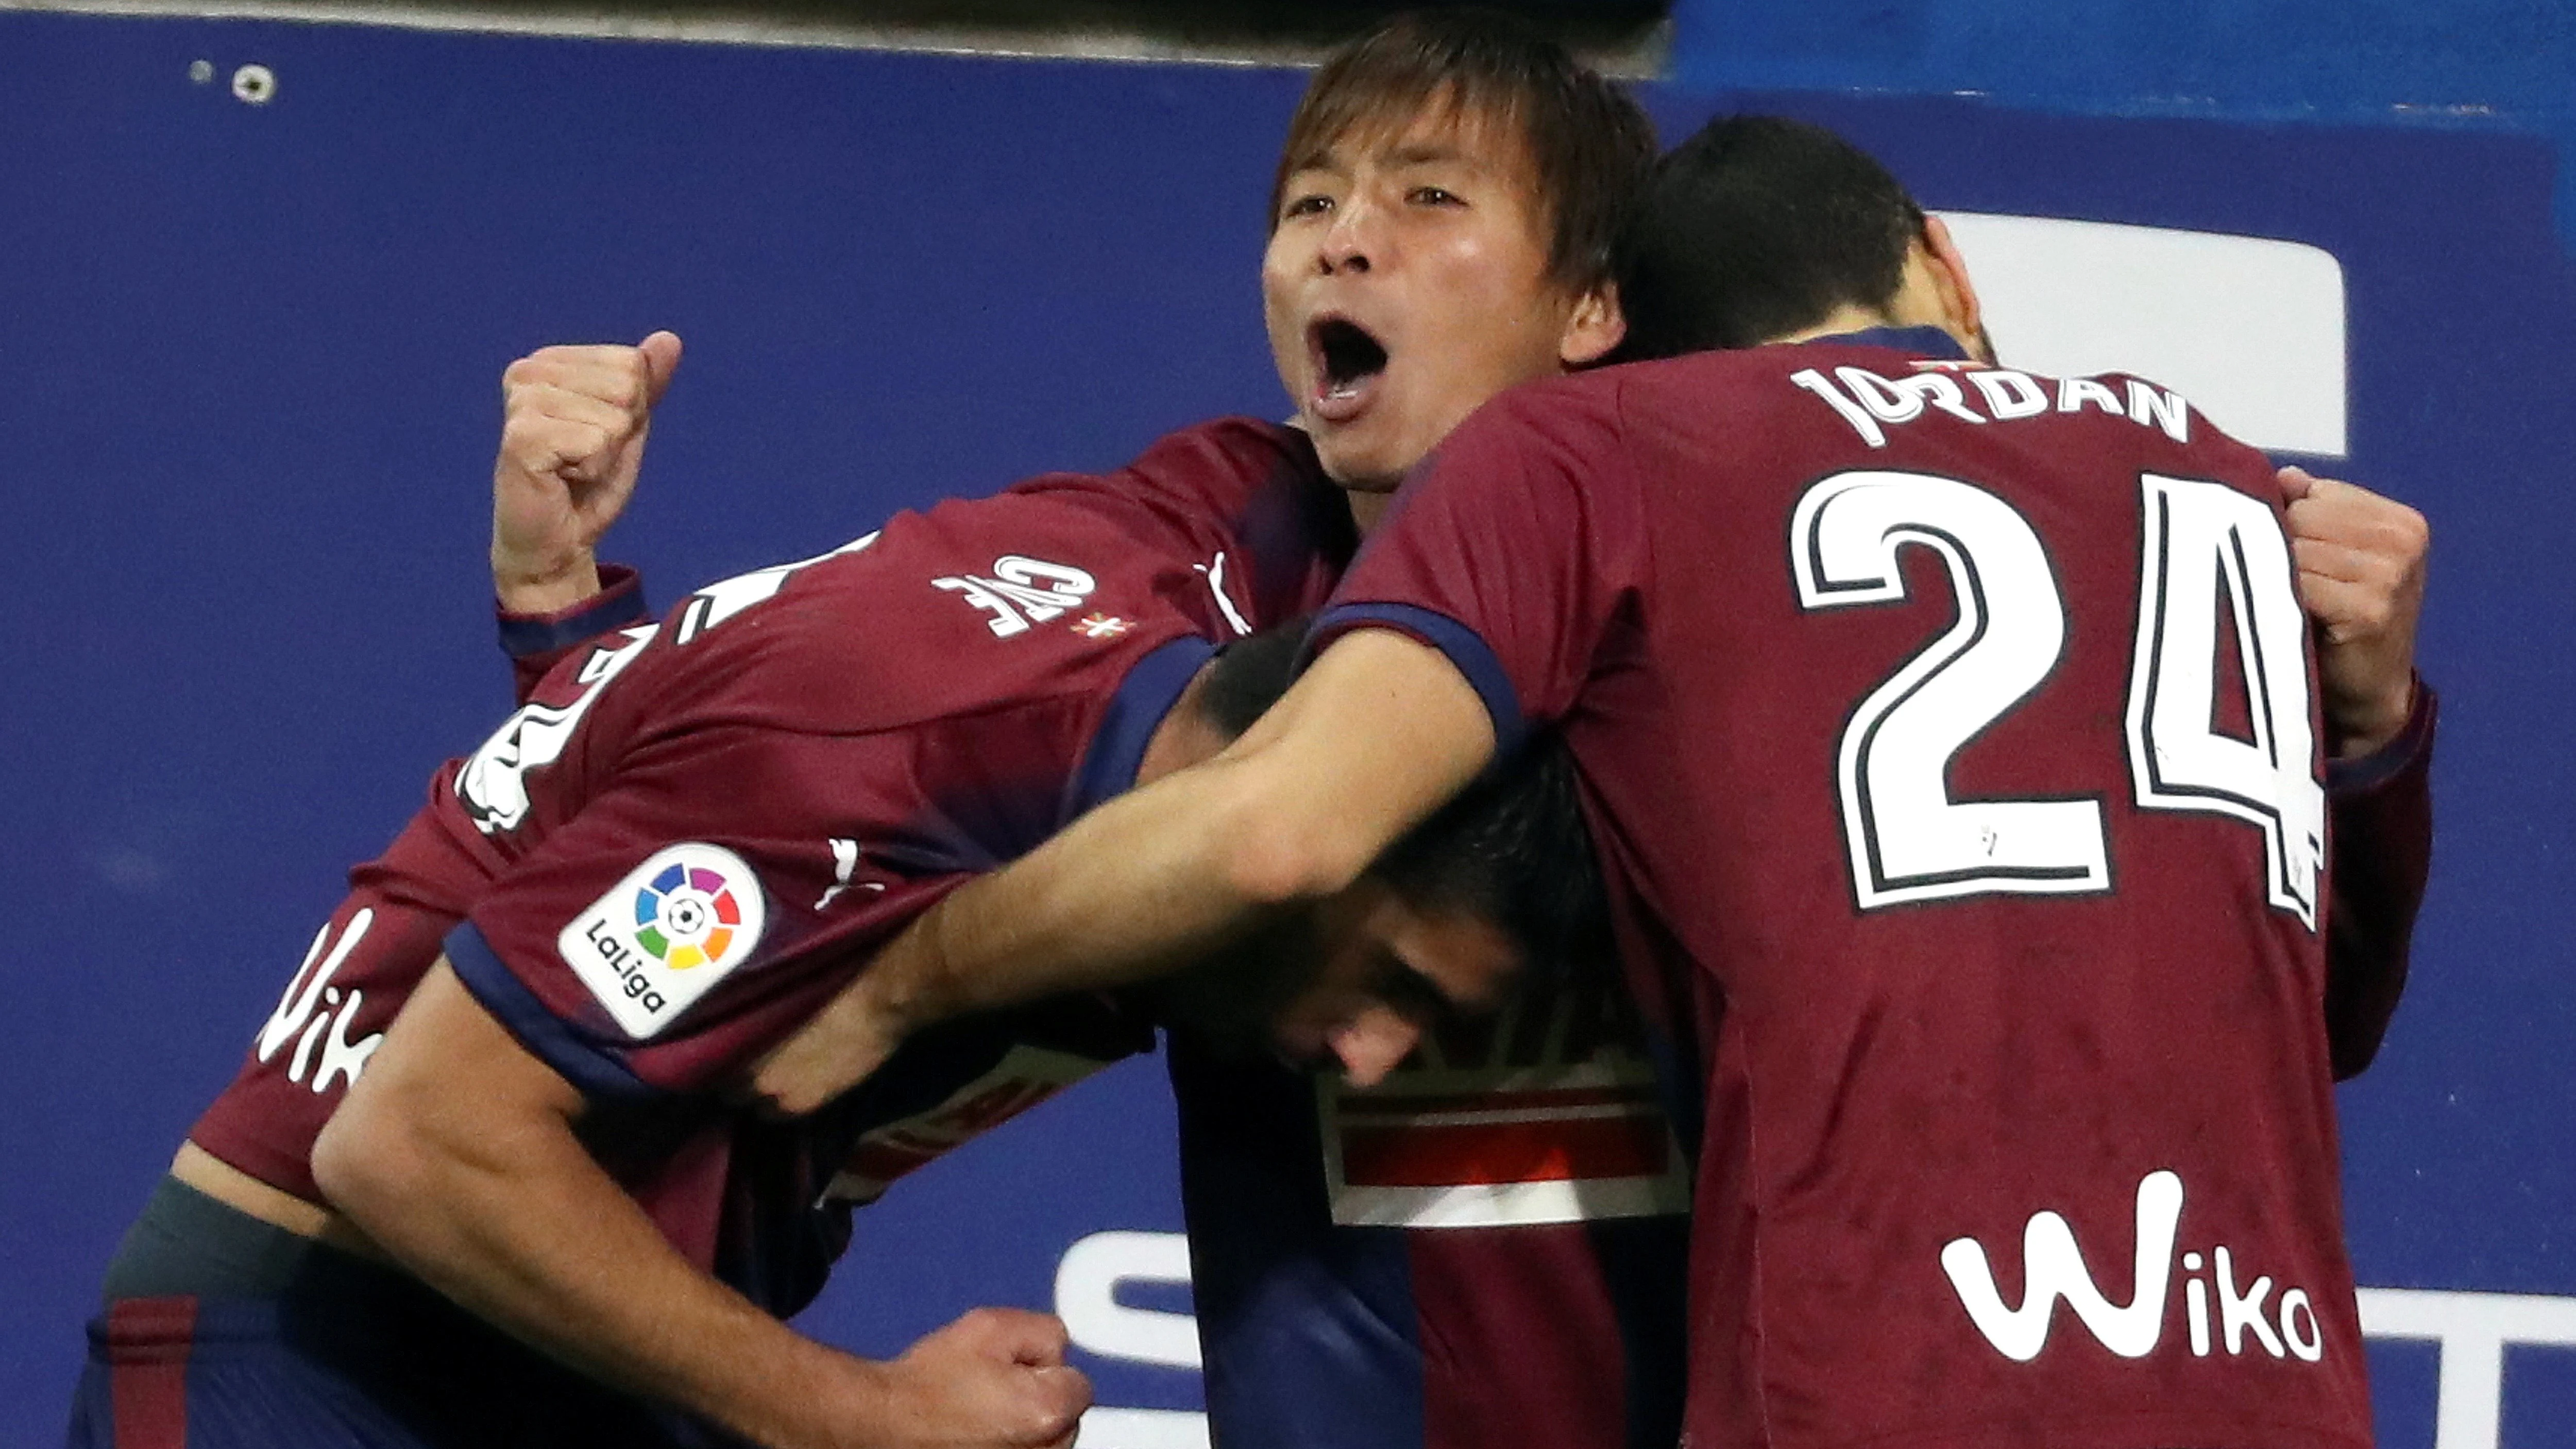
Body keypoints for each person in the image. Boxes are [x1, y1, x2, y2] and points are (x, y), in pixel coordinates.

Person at [741, 114, 2434, 1449]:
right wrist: (2377, 739)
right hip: (2267, 1390)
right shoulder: (2204, 466)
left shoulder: (1608, 451)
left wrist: (910, 977)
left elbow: (1278, 826)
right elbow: (2328, 1015)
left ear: (1620, 341)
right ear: (1947, 267)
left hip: (1870, 1386)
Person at [70, 329, 1603, 1447]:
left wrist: (571, 636)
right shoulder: (897, 757)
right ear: (1278, 814)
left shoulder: (1209, 553)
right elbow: (413, 1145)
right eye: (1393, 979)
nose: (1379, 1055)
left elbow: (697, 814)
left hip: (560, 1354)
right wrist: (861, 1413)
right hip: (313, 1349)